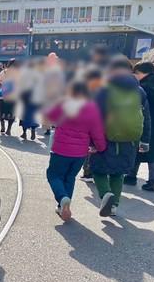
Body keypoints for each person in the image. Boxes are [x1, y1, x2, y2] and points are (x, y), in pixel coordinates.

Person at [90, 57, 151, 217]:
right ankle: (114, 205)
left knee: (98, 170)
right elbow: (146, 117)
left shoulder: (103, 89)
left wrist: (91, 141)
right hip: (130, 140)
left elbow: (95, 116)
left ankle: (106, 195)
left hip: (106, 138)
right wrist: (145, 140)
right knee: (118, 173)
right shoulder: (140, 91)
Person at [45, 82, 107, 221]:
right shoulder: (92, 108)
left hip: (60, 150)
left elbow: (48, 116)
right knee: (70, 177)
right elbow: (97, 132)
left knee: (53, 175)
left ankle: (62, 198)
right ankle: (63, 206)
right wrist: (100, 147)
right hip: (80, 153)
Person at [125, 61, 154, 191]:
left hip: (144, 121)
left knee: (137, 148)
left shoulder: (142, 86)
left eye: (136, 73)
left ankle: (131, 176)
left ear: (141, 73)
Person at [18, 58, 43, 140]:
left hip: (26, 98)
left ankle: (24, 133)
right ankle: (33, 130)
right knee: (34, 115)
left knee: (24, 115)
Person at [0, 59, 20, 135]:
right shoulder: (19, 73)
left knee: (1, 112)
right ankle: (9, 129)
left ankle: (2, 126)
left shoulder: (4, 72)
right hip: (14, 97)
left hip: (3, 96)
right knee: (11, 113)